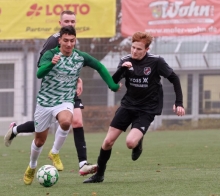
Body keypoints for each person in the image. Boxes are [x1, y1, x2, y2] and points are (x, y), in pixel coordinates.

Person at [83, 31, 186, 183]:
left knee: (130, 143)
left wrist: (179, 103)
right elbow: (114, 82)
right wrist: (122, 69)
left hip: (147, 109)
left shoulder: (156, 61)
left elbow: (174, 78)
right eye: (132, 47)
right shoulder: (125, 60)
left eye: (139, 49)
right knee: (108, 142)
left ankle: (138, 141)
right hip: (128, 105)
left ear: (147, 49)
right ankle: (99, 175)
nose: (134, 51)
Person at [23, 25, 120, 185]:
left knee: (67, 121)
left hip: (65, 100)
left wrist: (112, 84)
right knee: (39, 141)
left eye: (72, 41)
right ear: (59, 40)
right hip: (45, 102)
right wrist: (50, 64)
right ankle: (32, 166)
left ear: (75, 41)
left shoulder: (80, 57)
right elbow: (39, 73)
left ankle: (54, 152)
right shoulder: (50, 54)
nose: (69, 44)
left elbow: (100, 66)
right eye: (66, 40)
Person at [4, 10, 97, 176]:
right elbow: (42, 64)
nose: (70, 23)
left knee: (75, 121)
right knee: (45, 128)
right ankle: (17, 130)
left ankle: (82, 163)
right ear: (60, 23)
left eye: (73, 21)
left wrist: (77, 78)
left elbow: (72, 63)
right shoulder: (54, 41)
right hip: (53, 90)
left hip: (68, 89)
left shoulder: (72, 39)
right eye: (66, 20)